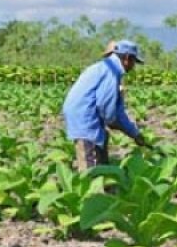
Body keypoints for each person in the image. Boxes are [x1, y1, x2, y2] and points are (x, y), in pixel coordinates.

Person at [62, 39, 148, 171]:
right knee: (89, 165)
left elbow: (117, 112)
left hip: (85, 116)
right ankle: (92, 187)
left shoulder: (104, 67)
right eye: (133, 62)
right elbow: (108, 112)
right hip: (85, 120)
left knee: (101, 147)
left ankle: (105, 180)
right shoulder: (111, 73)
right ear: (126, 58)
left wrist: (134, 133)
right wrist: (121, 127)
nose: (133, 66)